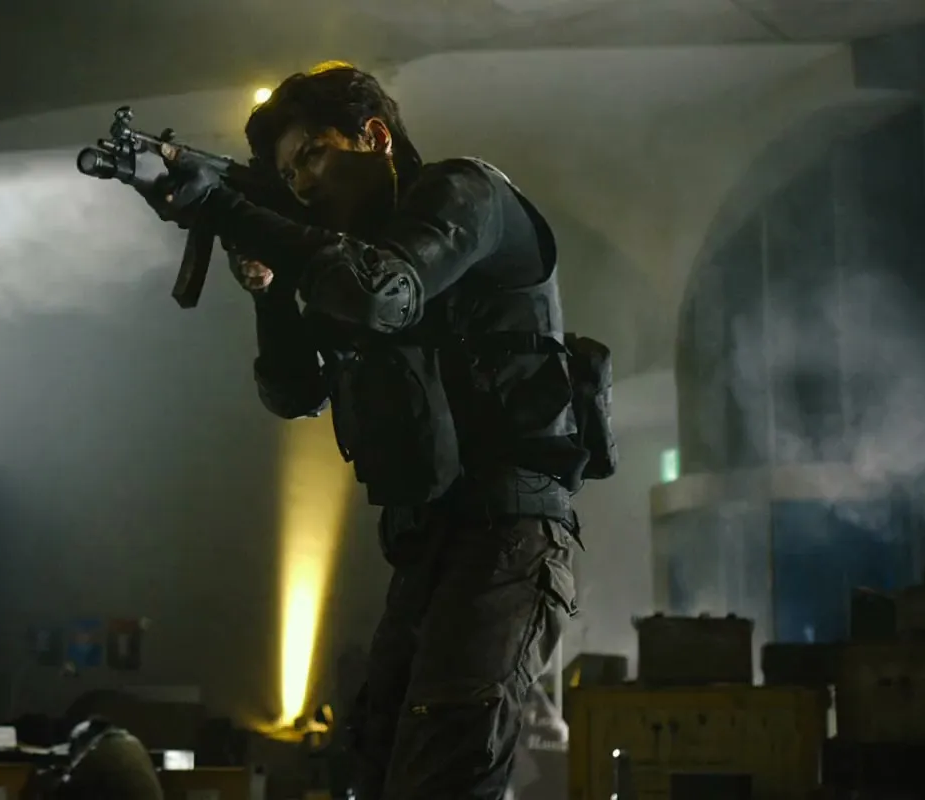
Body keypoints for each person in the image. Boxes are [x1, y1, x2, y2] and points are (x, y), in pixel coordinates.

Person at [135, 62, 587, 800]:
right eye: (288, 174)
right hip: (430, 544)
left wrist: (230, 210)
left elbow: (384, 293)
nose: (302, 184)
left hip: (509, 531)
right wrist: (268, 290)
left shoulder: (463, 194)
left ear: (374, 135)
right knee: (372, 764)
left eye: (312, 155)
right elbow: (294, 393)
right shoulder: (351, 255)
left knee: (444, 764)